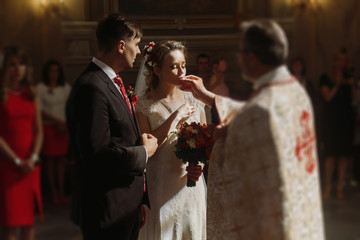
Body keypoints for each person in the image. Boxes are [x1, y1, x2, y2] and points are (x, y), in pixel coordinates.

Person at [182, 19, 325, 239]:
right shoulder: (293, 89)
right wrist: (207, 97)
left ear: (252, 58)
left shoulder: (261, 109)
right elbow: (249, 113)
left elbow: (232, 167)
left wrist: (220, 140)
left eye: (241, 53)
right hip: (297, 208)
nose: (239, 59)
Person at [66, 13, 158, 240]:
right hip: (107, 209)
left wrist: (139, 202)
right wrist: (144, 152)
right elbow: (96, 155)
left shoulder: (111, 81)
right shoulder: (92, 86)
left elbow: (121, 138)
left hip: (126, 206)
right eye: (136, 45)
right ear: (120, 45)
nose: (139, 52)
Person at [135, 41, 206, 240]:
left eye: (183, 65)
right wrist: (176, 117)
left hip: (189, 182)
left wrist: (198, 165)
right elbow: (148, 148)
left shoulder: (195, 98)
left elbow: (204, 143)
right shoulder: (143, 105)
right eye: (173, 66)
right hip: (160, 183)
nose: (180, 71)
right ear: (156, 70)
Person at [0, 46, 43, 240]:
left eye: (22, 64)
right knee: (10, 224)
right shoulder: (1, 94)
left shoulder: (31, 92)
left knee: (28, 222)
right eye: (12, 65)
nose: (17, 69)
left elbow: (38, 129)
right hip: (8, 166)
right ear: (4, 67)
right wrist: (17, 161)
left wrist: (32, 158)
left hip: (30, 166)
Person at [319, 48, 356, 200]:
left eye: (345, 60)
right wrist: (338, 84)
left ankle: (340, 188)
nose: (342, 63)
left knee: (343, 156)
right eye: (340, 60)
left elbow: (354, 101)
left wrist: (352, 85)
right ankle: (328, 188)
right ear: (335, 61)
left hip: (346, 120)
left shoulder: (350, 78)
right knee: (330, 155)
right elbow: (327, 97)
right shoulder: (325, 78)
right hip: (331, 121)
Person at [37, 59, 71, 205]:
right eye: (51, 70)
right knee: (50, 160)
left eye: (56, 70)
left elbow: (70, 107)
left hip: (63, 127)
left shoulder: (65, 88)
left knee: (61, 160)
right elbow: (38, 110)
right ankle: (53, 192)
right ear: (47, 72)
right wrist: (56, 122)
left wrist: (64, 124)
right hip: (49, 127)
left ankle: (62, 191)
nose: (54, 73)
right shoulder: (40, 88)